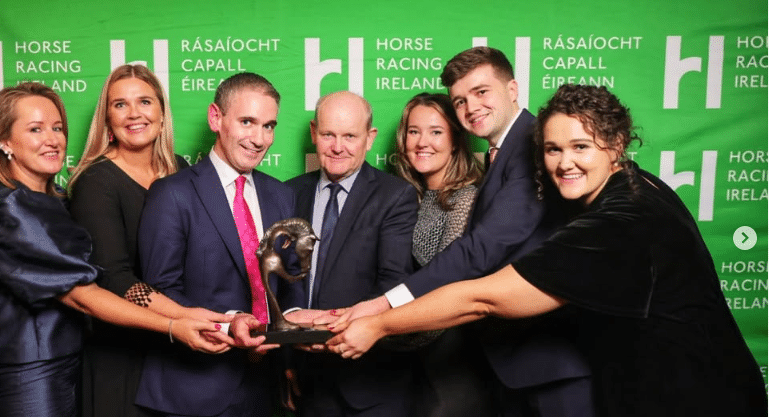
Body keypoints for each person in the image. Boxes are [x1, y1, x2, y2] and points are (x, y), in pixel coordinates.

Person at [328, 84, 768, 417]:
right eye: (553, 149)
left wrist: (379, 324)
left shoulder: (619, 223)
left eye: (580, 147)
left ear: (615, 145)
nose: (563, 163)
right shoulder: (637, 183)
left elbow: (483, 298)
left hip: (697, 399)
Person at [331, 47, 594, 416]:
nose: (471, 107)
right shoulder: (503, 152)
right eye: (460, 100)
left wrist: (381, 309)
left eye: (482, 92)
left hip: (548, 361)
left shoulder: (535, 145)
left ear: (513, 89)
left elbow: (481, 249)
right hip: (510, 363)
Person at [0, 82, 228, 417]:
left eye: (57, 128)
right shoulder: (12, 212)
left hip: (70, 365)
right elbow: (82, 295)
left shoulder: (55, 198)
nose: (52, 139)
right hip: (29, 378)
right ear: (5, 142)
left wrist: (187, 314)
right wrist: (173, 325)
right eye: (35, 129)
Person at [135, 72, 303, 417]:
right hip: (192, 388)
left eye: (268, 126)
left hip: (263, 386)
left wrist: (290, 355)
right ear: (216, 118)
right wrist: (228, 322)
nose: (259, 139)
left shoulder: (282, 195)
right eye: (247, 122)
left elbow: (289, 286)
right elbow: (159, 288)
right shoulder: (173, 194)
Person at [69, 64, 213, 417]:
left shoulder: (180, 170)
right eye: (120, 105)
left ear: (162, 113)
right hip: (122, 358)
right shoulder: (96, 182)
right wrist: (183, 317)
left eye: (145, 101)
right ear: (107, 119)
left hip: (176, 355)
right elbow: (116, 279)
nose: (134, 113)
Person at [285, 91, 419, 417]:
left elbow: (394, 282)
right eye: (329, 134)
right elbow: (280, 282)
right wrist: (287, 350)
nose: (337, 147)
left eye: (350, 136)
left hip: (370, 382)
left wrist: (321, 326)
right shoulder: (287, 193)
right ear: (314, 132)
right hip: (307, 378)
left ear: (369, 138)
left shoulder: (395, 195)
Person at [393, 92, 488, 417]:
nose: (422, 142)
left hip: (451, 364)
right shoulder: (413, 197)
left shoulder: (465, 199)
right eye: (414, 131)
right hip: (414, 359)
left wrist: (379, 334)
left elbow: (449, 292)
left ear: (455, 140)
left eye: (436, 131)